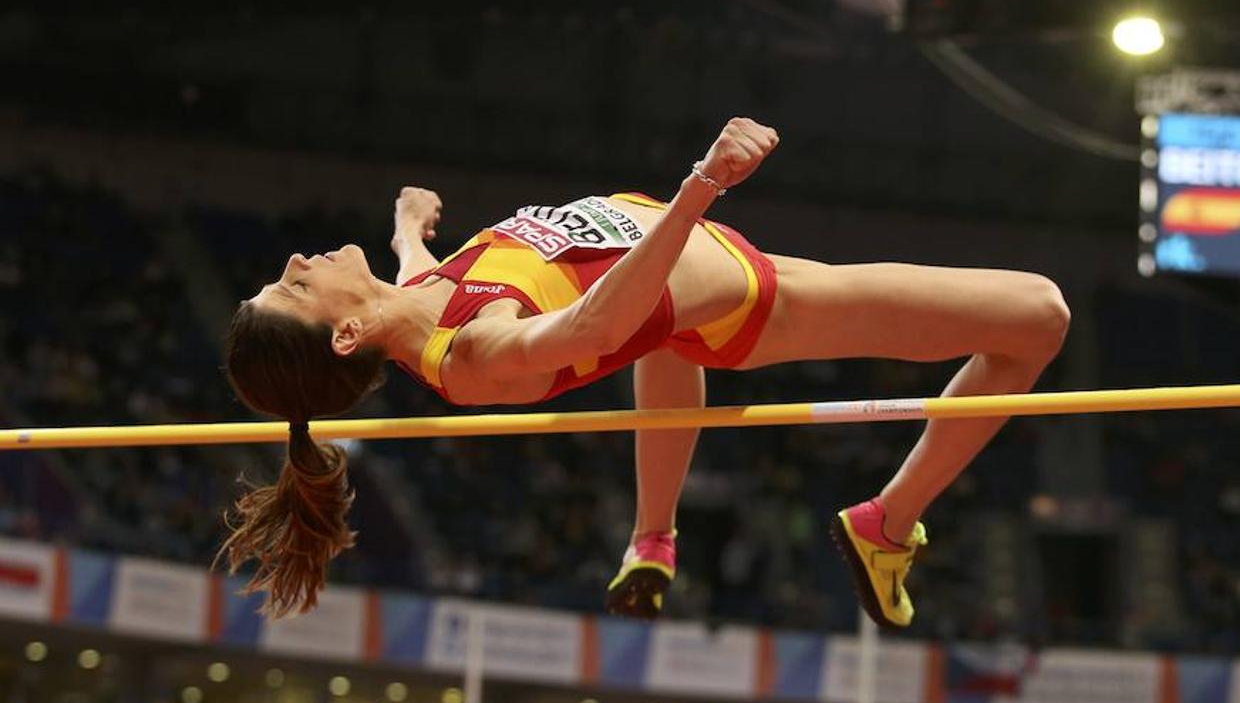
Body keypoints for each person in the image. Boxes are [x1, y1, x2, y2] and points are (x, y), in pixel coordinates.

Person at [221, 118, 1070, 626]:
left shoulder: (410, 299)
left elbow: (422, 272)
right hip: (757, 300)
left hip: (692, 288)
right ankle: (888, 525)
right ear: (347, 333)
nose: (297, 257)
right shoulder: (475, 357)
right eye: (294, 284)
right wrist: (702, 185)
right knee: (1038, 317)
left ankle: (652, 540)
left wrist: (409, 224)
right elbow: (599, 321)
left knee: (661, 344)